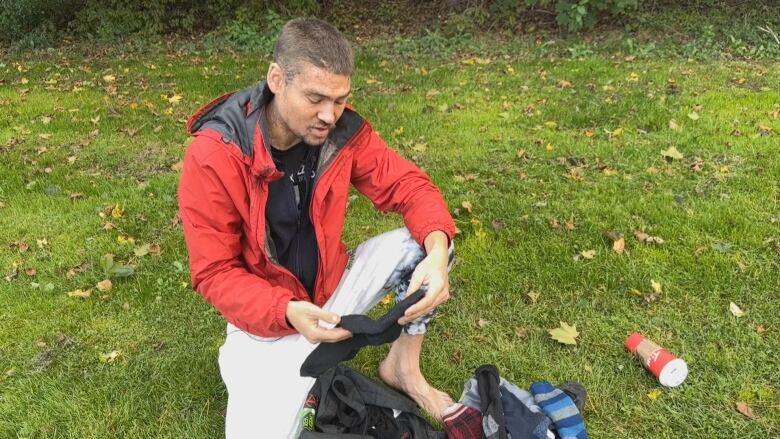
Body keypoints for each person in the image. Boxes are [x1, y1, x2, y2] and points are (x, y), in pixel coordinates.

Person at [178, 17, 456, 438]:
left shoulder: (342, 134)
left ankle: (403, 368)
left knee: (426, 246)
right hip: (266, 324)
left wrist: (437, 253)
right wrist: (285, 311)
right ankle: (271, 371)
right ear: (276, 79)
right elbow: (213, 273)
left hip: (334, 292)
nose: (329, 114)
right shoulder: (215, 155)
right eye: (316, 98)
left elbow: (408, 186)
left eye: (340, 99)